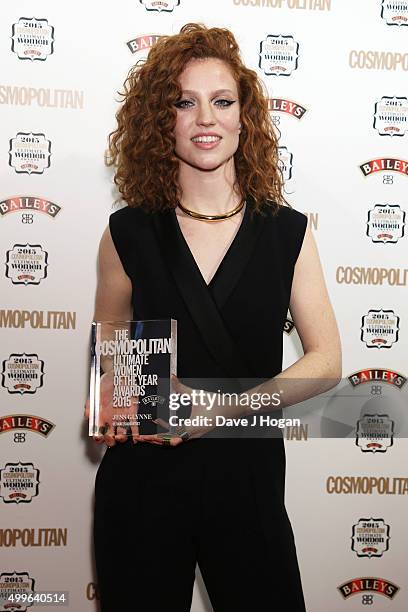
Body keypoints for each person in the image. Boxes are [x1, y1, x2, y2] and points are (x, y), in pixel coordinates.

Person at [86, 23, 342, 612]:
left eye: (222, 101)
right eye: (185, 101)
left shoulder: (288, 233)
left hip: (247, 478)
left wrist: (220, 408)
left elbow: (327, 361)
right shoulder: (127, 232)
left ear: (245, 118)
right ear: (161, 119)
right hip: (143, 486)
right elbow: (113, 363)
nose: (206, 118)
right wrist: (121, 406)